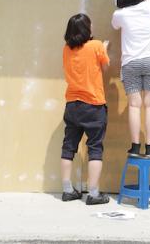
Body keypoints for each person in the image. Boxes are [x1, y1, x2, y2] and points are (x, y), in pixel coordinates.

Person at [111, 0, 150, 157]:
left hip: (131, 62)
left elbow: (115, 26)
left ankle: (135, 147)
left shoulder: (119, 15)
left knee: (134, 105)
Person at [61, 13, 110, 205]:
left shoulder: (66, 49)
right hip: (93, 105)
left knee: (68, 147)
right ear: (86, 30)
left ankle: (67, 190)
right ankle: (94, 193)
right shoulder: (96, 45)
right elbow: (105, 67)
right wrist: (105, 48)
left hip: (72, 104)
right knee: (95, 148)